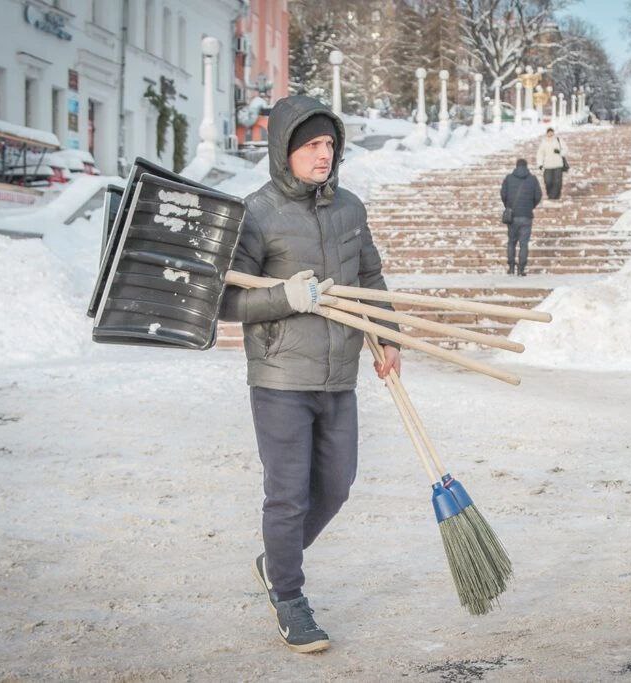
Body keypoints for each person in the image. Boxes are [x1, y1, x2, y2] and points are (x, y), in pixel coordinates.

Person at [219, 95, 401, 654]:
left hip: (339, 374)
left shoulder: (350, 208)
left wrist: (388, 337)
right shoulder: (257, 212)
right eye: (312, 145)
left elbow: (370, 278)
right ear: (285, 151)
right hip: (280, 376)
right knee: (288, 495)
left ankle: (275, 561)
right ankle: (290, 597)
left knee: (337, 485)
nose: (324, 154)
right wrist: (286, 297)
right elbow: (227, 301)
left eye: (330, 144)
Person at [500, 158, 542, 276]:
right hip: (526, 216)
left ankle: (511, 267)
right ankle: (521, 269)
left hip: (512, 216)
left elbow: (503, 194)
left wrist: (508, 206)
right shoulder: (533, 179)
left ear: (516, 166)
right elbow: (538, 195)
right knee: (524, 243)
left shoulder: (509, 178)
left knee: (511, 242)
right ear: (526, 166)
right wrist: (530, 206)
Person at [536, 127, 567, 201]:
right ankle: (550, 194)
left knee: (557, 182)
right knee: (548, 181)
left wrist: (559, 152)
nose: (550, 134)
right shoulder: (544, 142)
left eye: (551, 132)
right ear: (547, 133)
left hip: (558, 165)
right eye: (549, 132)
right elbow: (540, 154)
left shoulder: (558, 140)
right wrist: (540, 164)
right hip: (547, 165)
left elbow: (565, 150)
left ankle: (555, 196)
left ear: (553, 133)